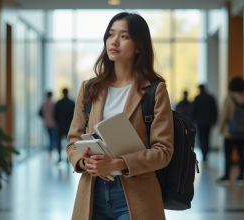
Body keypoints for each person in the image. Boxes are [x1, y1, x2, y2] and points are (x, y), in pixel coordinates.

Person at [66, 12, 173, 220]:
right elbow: (73, 141)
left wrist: (117, 164)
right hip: (92, 192)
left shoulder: (155, 90)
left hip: (137, 194)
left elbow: (164, 151)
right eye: (110, 34)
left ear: (139, 46)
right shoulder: (89, 89)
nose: (114, 41)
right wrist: (82, 161)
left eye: (124, 36)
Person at [217, 76, 244, 185]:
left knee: (228, 155)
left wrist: (221, 130)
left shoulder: (229, 99)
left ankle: (227, 176)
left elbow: (224, 116)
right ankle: (241, 176)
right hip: (243, 133)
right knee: (241, 154)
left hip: (229, 132)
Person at [192, 84, 218, 164]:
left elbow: (193, 111)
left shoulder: (197, 98)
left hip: (200, 122)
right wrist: (214, 121)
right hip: (208, 122)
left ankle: (204, 156)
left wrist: (192, 122)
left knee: (202, 139)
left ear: (199, 89)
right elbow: (215, 110)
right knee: (207, 139)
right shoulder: (211, 98)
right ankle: (205, 156)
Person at [54, 88, 75, 163]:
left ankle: (59, 157)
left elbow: (55, 114)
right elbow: (75, 115)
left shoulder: (59, 102)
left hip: (60, 125)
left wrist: (57, 122)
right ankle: (68, 158)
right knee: (69, 142)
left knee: (59, 142)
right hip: (69, 125)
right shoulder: (71, 102)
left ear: (62, 93)